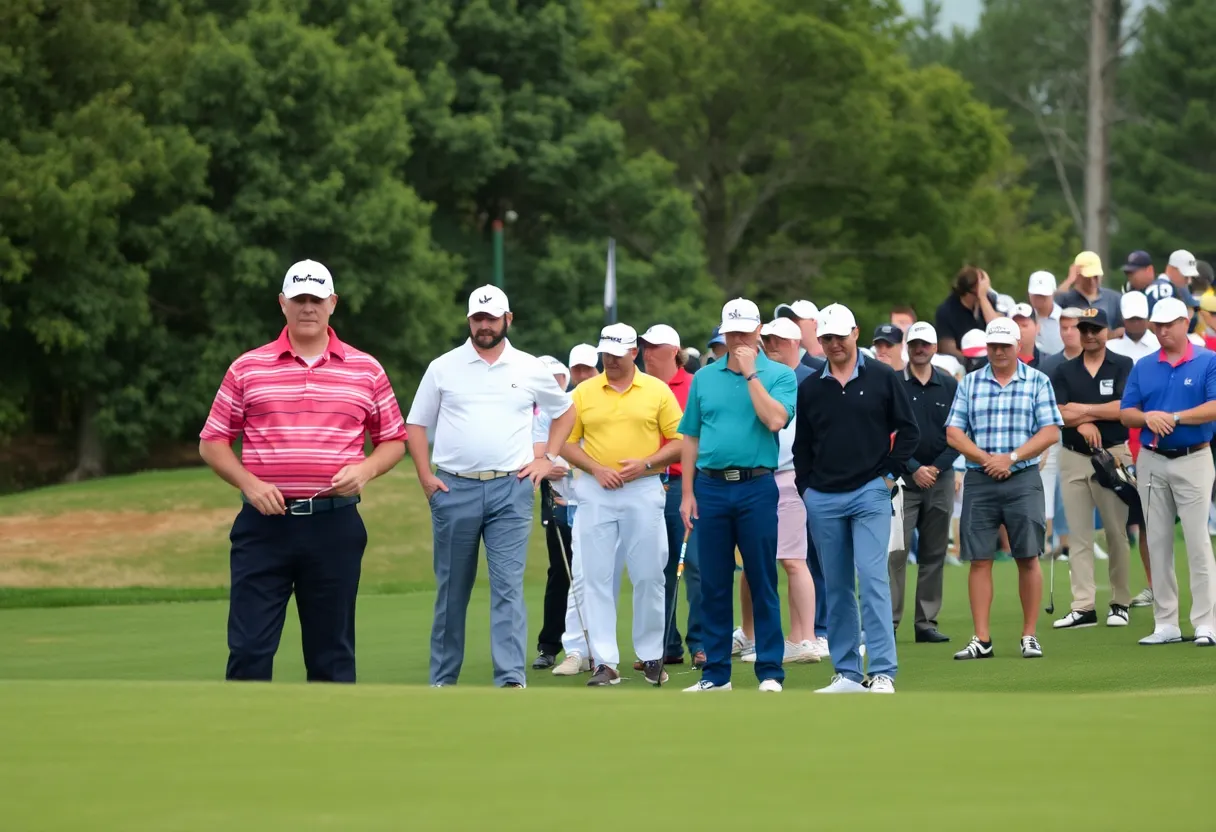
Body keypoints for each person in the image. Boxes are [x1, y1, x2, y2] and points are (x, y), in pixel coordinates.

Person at [199, 259, 408, 682]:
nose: (307, 307)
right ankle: (244, 739)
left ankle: (329, 743)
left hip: (334, 526)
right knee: (249, 648)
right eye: (299, 299)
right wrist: (250, 484)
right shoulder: (248, 367)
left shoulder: (365, 369)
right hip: (263, 526)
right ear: (282, 303)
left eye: (316, 298)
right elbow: (213, 442)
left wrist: (365, 471)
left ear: (332, 303)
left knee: (331, 653)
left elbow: (394, 441)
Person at [406, 286, 574, 688]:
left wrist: (545, 458)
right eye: (478, 319)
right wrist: (426, 477)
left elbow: (565, 412)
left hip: (510, 489)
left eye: (492, 318)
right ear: (469, 321)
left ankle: (510, 679)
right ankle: (443, 679)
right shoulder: (443, 366)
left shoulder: (529, 367)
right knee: (451, 591)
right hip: (453, 488)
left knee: (507, 588)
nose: (484, 326)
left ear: (507, 319)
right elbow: (416, 424)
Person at [794, 303, 920, 694]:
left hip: (870, 491)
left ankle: (882, 670)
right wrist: (808, 490)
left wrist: (887, 476)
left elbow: (909, 431)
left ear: (855, 333)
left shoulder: (882, 376)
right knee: (836, 585)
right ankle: (847, 673)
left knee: (872, 577)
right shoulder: (811, 386)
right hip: (824, 497)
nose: (833, 344)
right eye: (826, 338)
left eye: (839, 337)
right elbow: (803, 448)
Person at [679, 298, 797, 693]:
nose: (739, 339)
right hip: (710, 488)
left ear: (759, 330)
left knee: (762, 578)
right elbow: (691, 436)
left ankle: (769, 671)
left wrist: (750, 375)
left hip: (756, 486)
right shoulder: (704, 378)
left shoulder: (779, 375)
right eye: (732, 333)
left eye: (745, 332)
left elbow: (775, 419)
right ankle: (715, 674)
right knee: (713, 582)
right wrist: (687, 493)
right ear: (723, 333)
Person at [559, 323, 684, 686]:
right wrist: (596, 468)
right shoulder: (583, 392)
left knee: (648, 574)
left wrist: (645, 463)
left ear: (633, 353)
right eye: (605, 353)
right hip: (596, 490)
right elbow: (565, 442)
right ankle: (605, 662)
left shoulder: (656, 390)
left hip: (643, 488)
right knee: (595, 576)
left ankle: (650, 656)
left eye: (616, 353)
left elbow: (679, 440)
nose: (609, 360)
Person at [946, 317, 1063, 661]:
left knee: (1027, 555)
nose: (998, 352)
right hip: (981, 479)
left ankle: (1029, 635)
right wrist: (986, 459)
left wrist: (1010, 458)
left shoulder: (1038, 381)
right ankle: (981, 638)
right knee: (979, 559)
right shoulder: (970, 383)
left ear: (1017, 346)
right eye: (993, 346)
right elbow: (953, 432)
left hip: (1023, 478)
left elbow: (1050, 432)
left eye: (1004, 346)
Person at [1120, 297, 1216, 647]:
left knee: (1197, 542)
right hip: (1152, 459)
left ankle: (1206, 622)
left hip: (1194, 457)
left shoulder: (1208, 361)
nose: (1161, 331)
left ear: (1185, 321)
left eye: (1168, 324)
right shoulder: (1144, 365)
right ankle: (1166, 623)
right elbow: (1126, 411)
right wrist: (1147, 417)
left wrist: (1173, 417)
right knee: (1157, 541)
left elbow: (1213, 407)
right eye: (1156, 325)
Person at [733, 318, 821, 663]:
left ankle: (804, 638)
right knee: (754, 561)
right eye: (766, 338)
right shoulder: (760, 376)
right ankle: (754, 636)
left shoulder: (795, 380)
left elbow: (780, 424)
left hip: (786, 475)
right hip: (757, 478)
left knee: (793, 559)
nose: (770, 344)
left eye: (777, 340)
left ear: (795, 343)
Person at [1047, 309, 1135, 630]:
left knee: (1115, 532)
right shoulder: (1063, 370)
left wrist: (1082, 413)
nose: (1089, 335)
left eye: (1095, 329)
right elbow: (1057, 410)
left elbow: (1123, 408)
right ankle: (1083, 606)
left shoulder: (1123, 364)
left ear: (1107, 331)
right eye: (1084, 329)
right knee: (1079, 536)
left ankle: (1120, 602)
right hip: (1073, 456)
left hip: (1112, 455)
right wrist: (1085, 423)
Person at [638, 323, 704, 669]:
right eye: (644, 347)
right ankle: (664, 645)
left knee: (693, 565)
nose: (647, 353)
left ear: (674, 352)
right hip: (646, 486)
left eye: (654, 347)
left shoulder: (693, 386)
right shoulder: (639, 388)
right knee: (655, 569)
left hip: (684, 484)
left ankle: (701, 642)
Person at [890, 322, 958, 644]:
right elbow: (888, 435)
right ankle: (887, 622)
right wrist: (915, 467)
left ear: (934, 347)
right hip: (902, 481)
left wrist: (935, 467)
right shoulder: (893, 384)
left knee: (933, 553)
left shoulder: (948, 385)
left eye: (925, 344)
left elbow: (959, 433)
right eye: (915, 343)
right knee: (895, 554)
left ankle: (926, 622)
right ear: (908, 346)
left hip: (940, 479)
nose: (920, 348)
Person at [1105, 291, 1159, 607]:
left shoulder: (1160, 345)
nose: (1135, 323)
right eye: (1130, 318)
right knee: (1140, 521)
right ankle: (1153, 585)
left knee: (1167, 522)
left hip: (1162, 438)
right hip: (1127, 441)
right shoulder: (1115, 349)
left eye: (1140, 318)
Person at [530, 356, 576, 670]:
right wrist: (546, 469)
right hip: (556, 499)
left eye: (557, 376)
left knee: (593, 574)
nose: (553, 382)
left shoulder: (577, 404)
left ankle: (587, 646)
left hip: (589, 498)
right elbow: (531, 453)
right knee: (560, 570)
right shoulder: (535, 413)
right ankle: (550, 645)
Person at [935, 266, 1002, 360]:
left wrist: (983, 298)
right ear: (972, 291)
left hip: (991, 359)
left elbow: (999, 330)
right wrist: (973, 363)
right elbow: (947, 349)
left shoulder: (988, 301)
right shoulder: (946, 311)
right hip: (961, 363)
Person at [1056, 251, 1124, 338]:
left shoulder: (1114, 298)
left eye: (1095, 277)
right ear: (1078, 276)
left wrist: (1110, 335)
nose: (1092, 281)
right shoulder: (1066, 298)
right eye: (1087, 277)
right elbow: (1050, 307)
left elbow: (1123, 328)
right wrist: (1070, 280)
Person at [1028, 271, 1064, 354]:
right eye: (1035, 294)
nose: (1039, 297)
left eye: (1043, 295)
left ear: (1053, 293)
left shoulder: (1065, 319)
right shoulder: (1021, 317)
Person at [1011, 303, 1043, 367]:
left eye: (1024, 325)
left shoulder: (1048, 362)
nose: (1019, 330)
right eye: (1015, 325)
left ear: (1037, 327)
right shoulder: (999, 361)